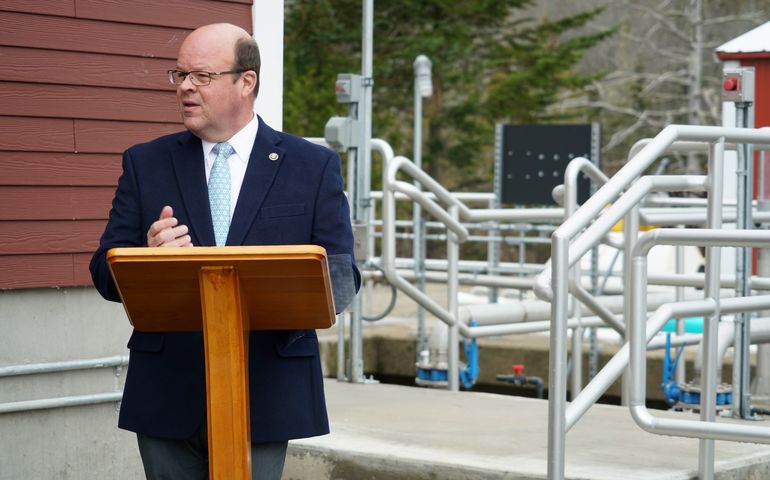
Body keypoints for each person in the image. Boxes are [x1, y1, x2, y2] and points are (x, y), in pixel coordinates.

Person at [90, 23, 359, 480]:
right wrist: (147, 257)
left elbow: (341, 278)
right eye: (179, 76)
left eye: (202, 76)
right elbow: (103, 271)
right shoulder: (145, 162)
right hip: (168, 388)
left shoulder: (311, 166)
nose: (186, 87)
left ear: (246, 81)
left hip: (265, 390)